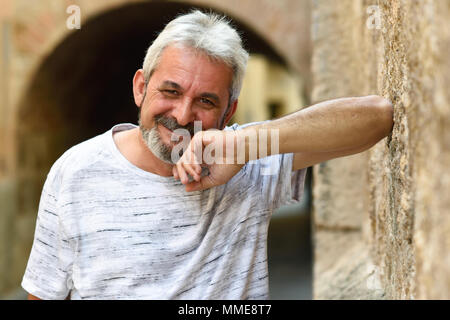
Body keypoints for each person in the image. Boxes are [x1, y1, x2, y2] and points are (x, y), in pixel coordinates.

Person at [22, 10, 394, 300]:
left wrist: (247, 145)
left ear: (228, 112)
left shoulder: (244, 159)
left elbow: (377, 118)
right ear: (140, 88)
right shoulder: (76, 172)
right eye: (170, 91)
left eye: (205, 101)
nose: (183, 116)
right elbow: (44, 291)